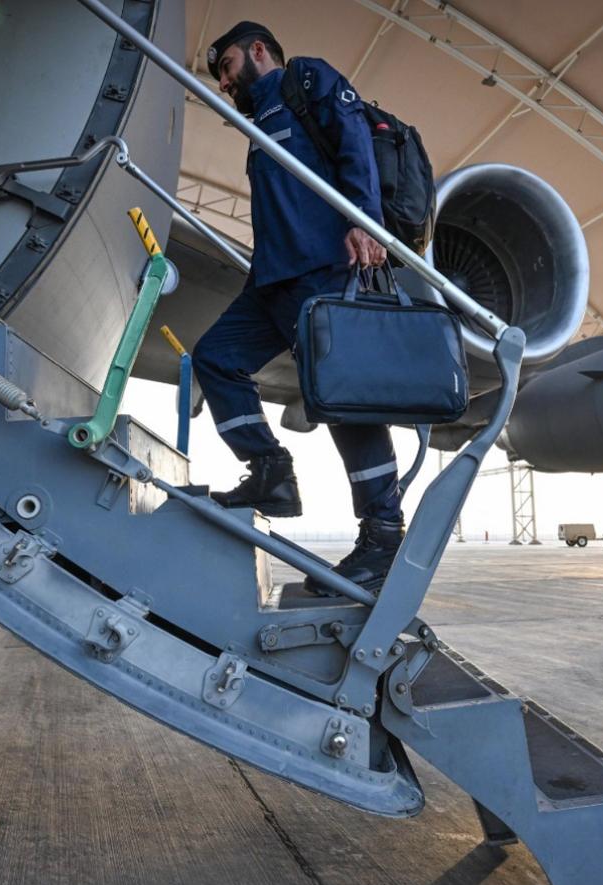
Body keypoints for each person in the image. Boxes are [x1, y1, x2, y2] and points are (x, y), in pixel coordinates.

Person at [193, 22, 403, 595]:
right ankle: (271, 471)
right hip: (270, 282)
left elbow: (354, 141)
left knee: (343, 401)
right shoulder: (258, 122)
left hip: (321, 273)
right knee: (215, 357)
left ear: (259, 51)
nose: (224, 82)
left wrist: (363, 220)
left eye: (228, 66)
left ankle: (383, 534)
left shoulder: (305, 81)